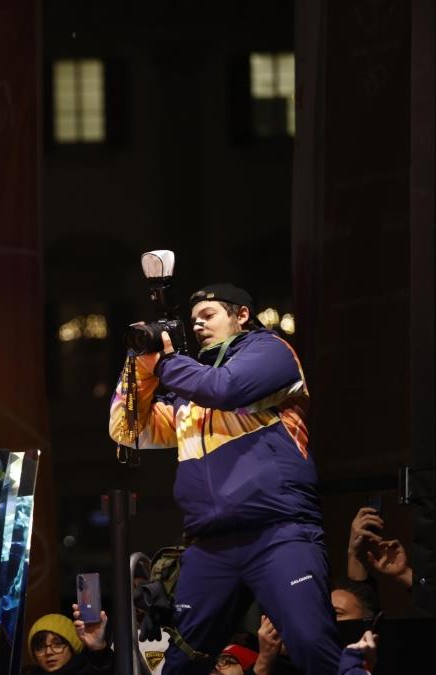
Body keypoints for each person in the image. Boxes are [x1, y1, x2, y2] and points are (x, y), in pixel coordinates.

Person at [108, 283, 341, 675]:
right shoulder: (189, 397)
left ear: (242, 315)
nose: (198, 325)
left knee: (311, 644)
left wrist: (165, 363)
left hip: (277, 532)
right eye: (194, 320)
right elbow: (127, 431)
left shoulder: (271, 352)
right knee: (182, 663)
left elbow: (226, 388)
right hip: (210, 546)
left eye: (209, 315)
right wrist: (140, 366)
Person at [23, 608, 111, 674]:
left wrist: (97, 648)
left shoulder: (93, 669)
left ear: (72, 647)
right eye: (40, 647)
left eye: (57, 644)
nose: (48, 652)